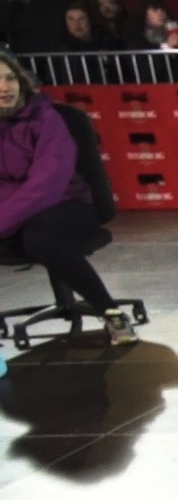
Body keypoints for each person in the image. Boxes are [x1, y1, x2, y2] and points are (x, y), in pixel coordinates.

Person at [0, 51, 138, 345]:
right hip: (17, 212)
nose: (5, 87)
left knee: (40, 237)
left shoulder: (46, 119)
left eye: (9, 78)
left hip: (68, 204)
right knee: (32, 232)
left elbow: (46, 186)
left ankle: (112, 313)